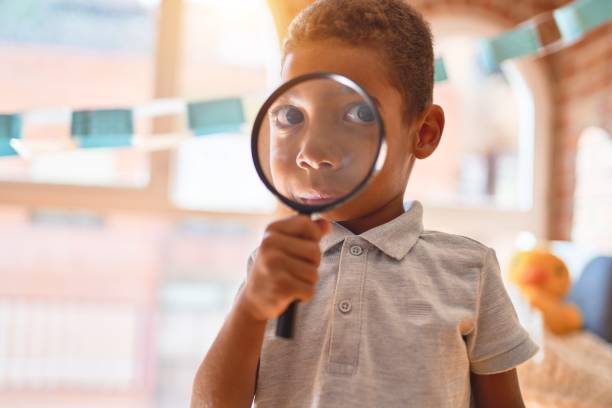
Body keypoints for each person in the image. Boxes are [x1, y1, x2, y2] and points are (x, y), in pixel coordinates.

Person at [191, 1, 538, 406]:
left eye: (357, 113)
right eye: (291, 115)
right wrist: (251, 306)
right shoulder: (272, 270)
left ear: (423, 133)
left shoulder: (469, 270)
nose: (313, 151)